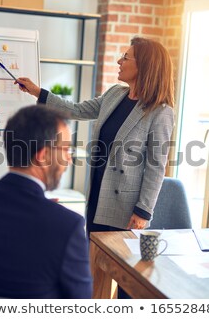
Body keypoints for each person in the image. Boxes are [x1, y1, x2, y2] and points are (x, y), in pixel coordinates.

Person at [16, 37, 174, 234]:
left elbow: (156, 167)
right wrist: (38, 92)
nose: (119, 61)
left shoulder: (160, 112)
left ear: (144, 66)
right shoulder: (115, 94)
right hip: (97, 195)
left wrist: (144, 211)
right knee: (93, 256)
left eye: (125, 57)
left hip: (127, 209)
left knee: (115, 261)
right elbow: (77, 110)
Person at [0, 105, 92, 299]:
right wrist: (54, 218)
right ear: (43, 156)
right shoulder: (68, 226)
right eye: (65, 149)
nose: (68, 159)